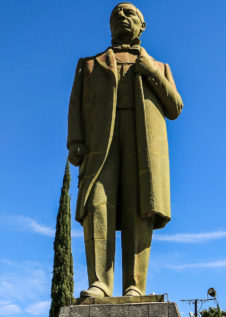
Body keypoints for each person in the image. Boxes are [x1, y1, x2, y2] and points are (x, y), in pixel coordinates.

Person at [67, 2, 183, 298]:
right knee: (97, 206)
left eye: (129, 13)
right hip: (99, 145)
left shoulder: (159, 66)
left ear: (142, 26)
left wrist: (148, 70)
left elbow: (175, 107)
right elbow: (75, 107)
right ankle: (100, 283)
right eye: (116, 14)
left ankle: (135, 285)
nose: (122, 17)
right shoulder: (89, 64)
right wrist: (75, 140)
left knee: (139, 207)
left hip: (142, 144)